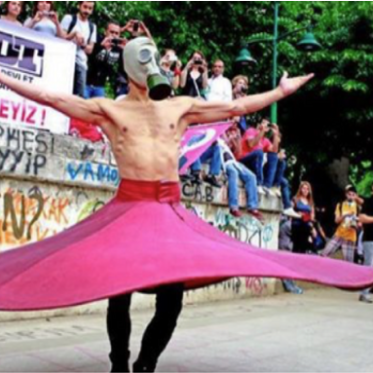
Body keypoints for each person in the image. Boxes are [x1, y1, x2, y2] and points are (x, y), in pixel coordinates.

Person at [2, 37, 371, 373]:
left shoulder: (179, 106)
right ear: (131, 70)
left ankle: (146, 364)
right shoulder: (109, 110)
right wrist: (6, 79)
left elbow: (236, 106)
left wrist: (280, 92)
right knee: (118, 294)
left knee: (171, 301)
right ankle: (119, 364)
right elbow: (53, 99)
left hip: (168, 213)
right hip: (128, 209)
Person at [218, 138, 262, 220]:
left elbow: (238, 154)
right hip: (225, 163)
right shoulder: (213, 139)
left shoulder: (224, 142)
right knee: (234, 173)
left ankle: (252, 207)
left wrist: (235, 140)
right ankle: (233, 207)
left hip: (235, 162)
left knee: (252, 176)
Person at [61, 1, 97, 98]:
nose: (87, 11)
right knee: (61, 92)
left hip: (81, 63)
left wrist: (83, 44)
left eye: (90, 8)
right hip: (65, 60)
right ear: (79, 6)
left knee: (78, 96)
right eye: (85, 7)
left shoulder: (92, 27)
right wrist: (73, 34)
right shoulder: (69, 19)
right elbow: (60, 38)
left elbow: (90, 50)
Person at [85, 21, 126, 99]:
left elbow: (123, 68)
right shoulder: (97, 40)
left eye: (117, 33)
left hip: (100, 86)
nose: (114, 35)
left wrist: (126, 51)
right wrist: (101, 47)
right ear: (105, 31)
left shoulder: (118, 49)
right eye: (111, 32)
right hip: (86, 83)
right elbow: (89, 57)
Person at [322, 185, 360, 263]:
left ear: (355, 196)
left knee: (349, 262)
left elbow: (360, 221)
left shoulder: (358, 207)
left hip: (350, 236)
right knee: (325, 254)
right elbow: (336, 221)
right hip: (339, 233)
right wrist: (345, 215)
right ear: (346, 194)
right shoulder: (340, 205)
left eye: (353, 195)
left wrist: (357, 225)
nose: (351, 196)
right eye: (349, 194)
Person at [358, 183, 373, 303]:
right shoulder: (368, 202)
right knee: (369, 265)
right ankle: (364, 293)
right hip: (370, 239)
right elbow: (361, 218)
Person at [292, 182, 315, 254]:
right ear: (300, 189)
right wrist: (298, 214)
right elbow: (290, 211)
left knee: (304, 245)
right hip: (297, 223)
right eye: (304, 188)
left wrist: (312, 226)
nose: (305, 190)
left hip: (306, 224)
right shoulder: (295, 199)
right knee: (296, 245)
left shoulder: (310, 202)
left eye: (307, 189)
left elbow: (312, 215)